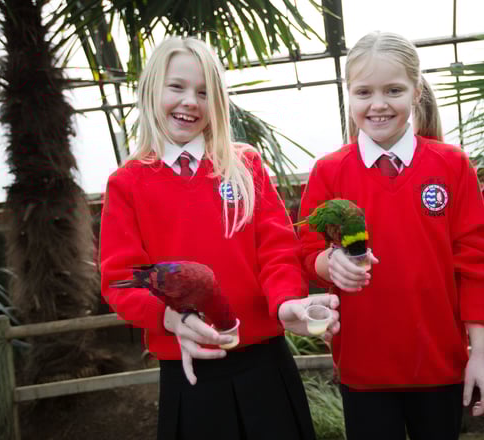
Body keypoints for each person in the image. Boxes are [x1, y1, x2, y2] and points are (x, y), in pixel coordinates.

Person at [99, 36, 339, 440]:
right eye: (177, 87)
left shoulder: (245, 165)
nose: (190, 101)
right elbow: (121, 278)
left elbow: (277, 249)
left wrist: (286, 303)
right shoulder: (127, 183)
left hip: (265, 362)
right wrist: (170, 318)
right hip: (189, 369)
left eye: (204, 92)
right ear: (151, 90)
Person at [297, 31, 484, 440]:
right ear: (348, 94)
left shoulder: (452, 165)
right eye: (364, 92)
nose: (378, 104)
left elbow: (474, 265)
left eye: (393, 90)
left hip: (440, 367)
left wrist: (481, 354)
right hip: (364, 370)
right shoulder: (328, 172)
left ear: (416, 90)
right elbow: (304, 253)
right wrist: (327, 263)